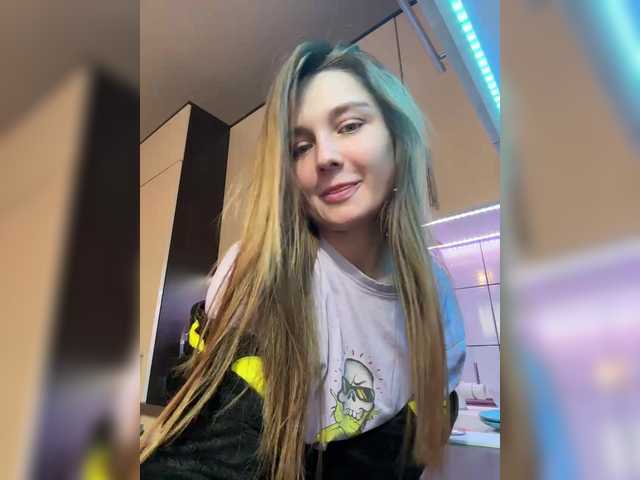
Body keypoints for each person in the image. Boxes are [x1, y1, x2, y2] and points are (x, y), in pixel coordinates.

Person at [140, 40, 466, 480]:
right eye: (299, 147)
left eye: (349, 126)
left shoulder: (434, 293)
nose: (324, 157)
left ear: (396, 137)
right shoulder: (255, 276)